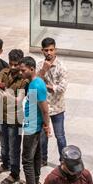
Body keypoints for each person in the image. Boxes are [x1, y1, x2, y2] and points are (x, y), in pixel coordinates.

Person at [12, 56, 50, 184]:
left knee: (27, 160)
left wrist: (47, 126)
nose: (20, 73)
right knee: (35, 156)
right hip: (33, 124)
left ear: (32, 69)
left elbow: (45, 109)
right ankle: (34, 182)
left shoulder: (36, 86)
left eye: (23, 70)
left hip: (32, 127)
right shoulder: (35, 82)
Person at [0, 49, 28, 184]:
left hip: (15, 118)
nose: (12, 67)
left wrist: (6, 94)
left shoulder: (24, 79)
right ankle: (5, 164)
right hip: (2, 114)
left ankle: (15, 173)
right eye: (11, 64)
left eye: (16, 65)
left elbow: (19, 99)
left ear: (21, 63)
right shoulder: (4, 72)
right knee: (4, 143)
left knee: (14, 146)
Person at [37, 37, 68, 167]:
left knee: (60, 136)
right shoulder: (39, 66)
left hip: (57, 108)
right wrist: (44, 70)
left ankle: (64, 160)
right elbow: (35, 82)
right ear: (42, 51)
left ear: (55, 50)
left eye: (51, 50)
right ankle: (43, 159)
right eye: (46, 50)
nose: (49, 53)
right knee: (43, 137)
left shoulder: (61, 67)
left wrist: (47, 86)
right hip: (43, 108)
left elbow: (61, 88)